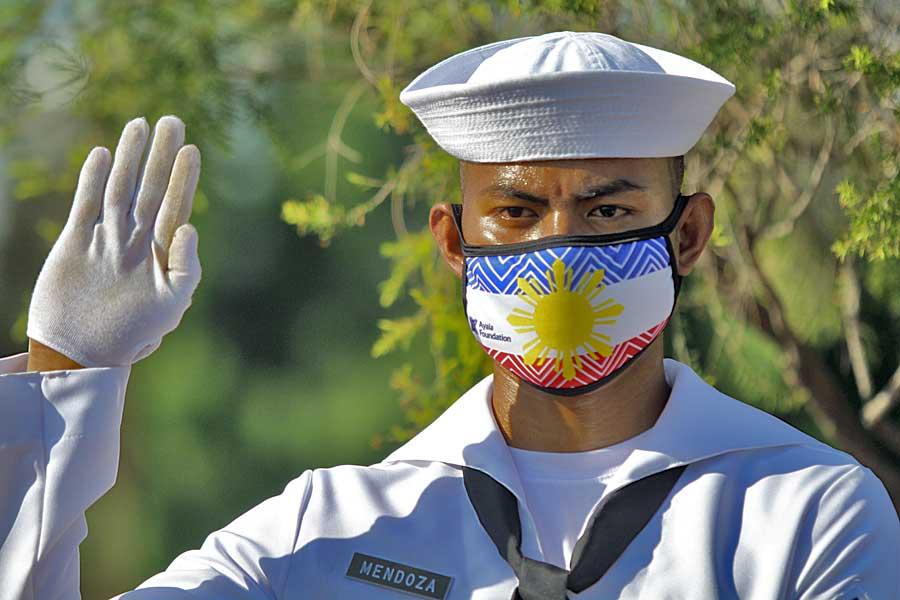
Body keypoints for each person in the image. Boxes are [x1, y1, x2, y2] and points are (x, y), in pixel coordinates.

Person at [0, 31, 897, 600]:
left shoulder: (802, 514)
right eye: (515, 213)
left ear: (688, 234)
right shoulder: (326, 530)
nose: (560, 253)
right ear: (455, 243)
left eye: (608, 212)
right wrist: (61, 369)